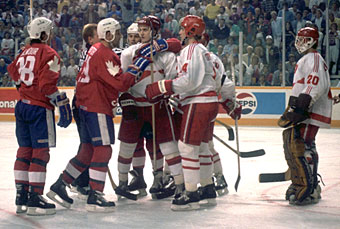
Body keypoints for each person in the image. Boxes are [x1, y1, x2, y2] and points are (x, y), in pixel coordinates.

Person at [46, 17, 149, 213]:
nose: (119, 36)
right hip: (96, 106)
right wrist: (136, 69)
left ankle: (61, 184)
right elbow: (120, 84)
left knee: (87, 150)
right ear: (108, 34)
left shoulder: (94, 50)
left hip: (84, 105)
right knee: (103, 150)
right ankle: (95, 194)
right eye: (117, 33)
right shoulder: (105, 53)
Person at [145, 15, 220, 211]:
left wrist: (162, 86)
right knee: (203, 148)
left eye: (182, 29)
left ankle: (191, 193)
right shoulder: (205, 52)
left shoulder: (192, 50)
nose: (179, 32)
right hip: (209, 101)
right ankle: (207, 187)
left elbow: (189, 81)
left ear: (191, 31)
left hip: (198, 102)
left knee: (186, 147)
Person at [7, 17, 72, 216]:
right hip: (38, 109)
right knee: (40, 152)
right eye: (49, 32)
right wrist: (61, 101)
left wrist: (25, 89)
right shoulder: (50, 53)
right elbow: (46, 86)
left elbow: (13, 72)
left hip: (22, 106)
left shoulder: (24, 51)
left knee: (24, 150)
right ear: (44, 33)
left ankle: (21, 195)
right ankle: (35, 197)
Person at [117, 15, 183, 201]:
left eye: (145, 29)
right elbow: (123, 82)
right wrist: (125, 98)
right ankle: (123, 182)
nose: (142, 33)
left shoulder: (167, 56)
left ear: (154, 31)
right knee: (126, 146)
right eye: (140, 29)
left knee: (167, 146)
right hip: (135, 107)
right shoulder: (129, 53)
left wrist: (165, 95)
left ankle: (170, 182)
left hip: (157, 107)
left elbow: (173, 81)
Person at [278, 27, 332, 205]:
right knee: (303, 143)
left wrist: (301, 107)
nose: (299, 43)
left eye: (303, 39)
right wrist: (293, 107)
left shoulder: (314, 59)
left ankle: (309, 186)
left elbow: (313, 84)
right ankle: (308, 183)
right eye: (298, 39)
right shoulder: (306, 59)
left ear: (312, 41)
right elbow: (301, 86)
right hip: (307, 109)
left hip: (310, 110)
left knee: (302, 144)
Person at [200, 33, 242, 196]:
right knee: (205, 145)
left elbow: (225, 85)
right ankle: (218, 177)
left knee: (197, 146)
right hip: (207, 106)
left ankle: (212, 179)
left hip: (196, 106)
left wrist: (230, 102)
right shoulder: (213, 58)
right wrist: (229, 101)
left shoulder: (200, 56)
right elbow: (226, 85)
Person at [66, 23, 100, 199]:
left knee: (89, 144)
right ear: (90, 38)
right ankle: (79, 180)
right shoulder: (92, 53)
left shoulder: (89, 51)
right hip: (83, 102)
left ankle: (79, 179)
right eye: (98, 34)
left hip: (82, 101)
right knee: (88, 144)